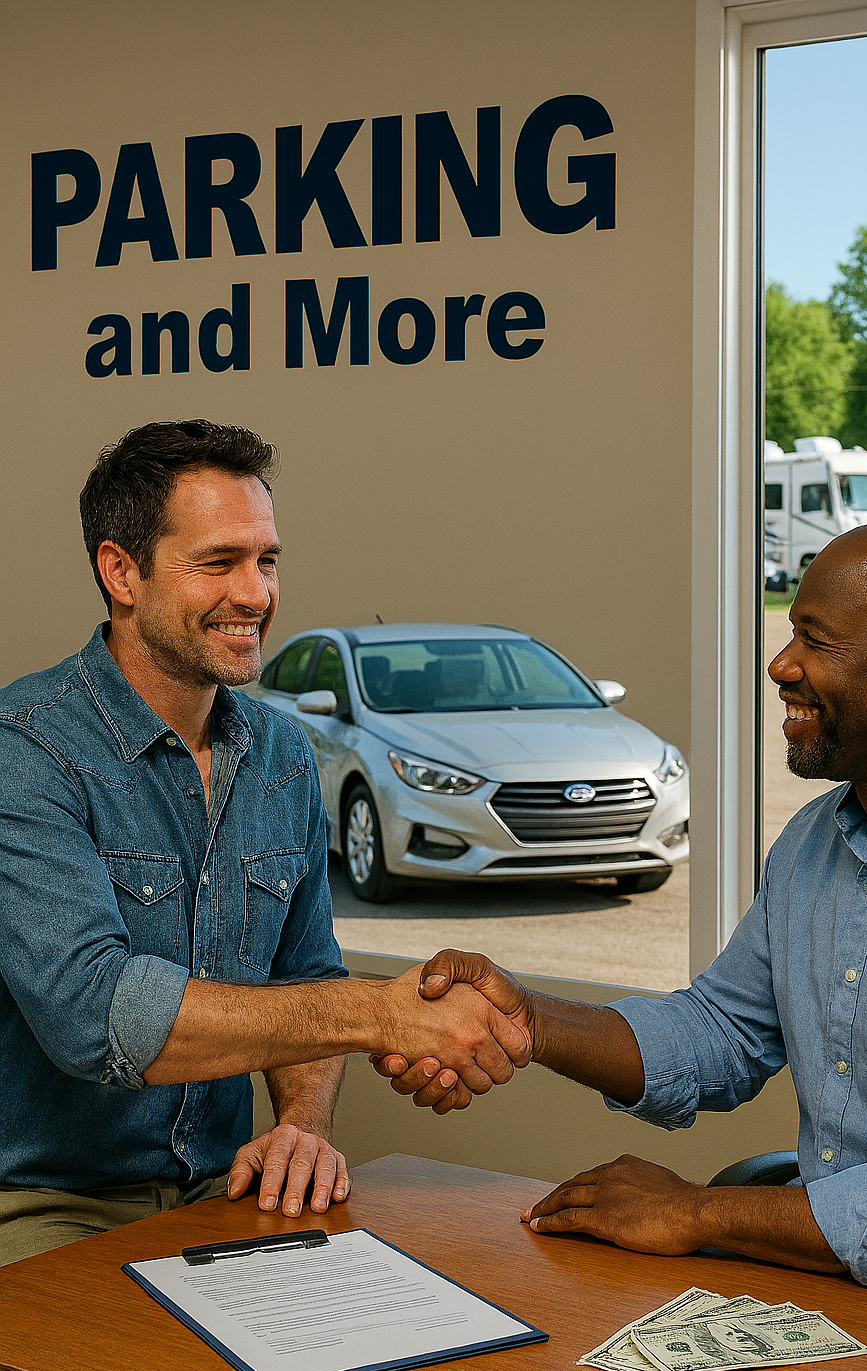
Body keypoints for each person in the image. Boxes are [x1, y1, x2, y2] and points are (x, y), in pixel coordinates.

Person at [375, 517, 867, 1288]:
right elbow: (721, 1032)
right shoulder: (815, 841)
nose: (783, 665)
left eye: (817, 642)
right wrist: (531, 1021)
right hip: (839, 1301)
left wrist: (697, 1213)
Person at [0, 420, 528, 1266]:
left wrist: (301, 1127)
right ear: (120, 572)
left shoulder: (281, 753)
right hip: (43, 1204)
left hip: (223, 1186)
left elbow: (304, 977)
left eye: (267, 560)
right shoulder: (23, 750)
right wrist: (379, 1013)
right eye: (220, 563)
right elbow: (95, 1016)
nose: (256, 594)